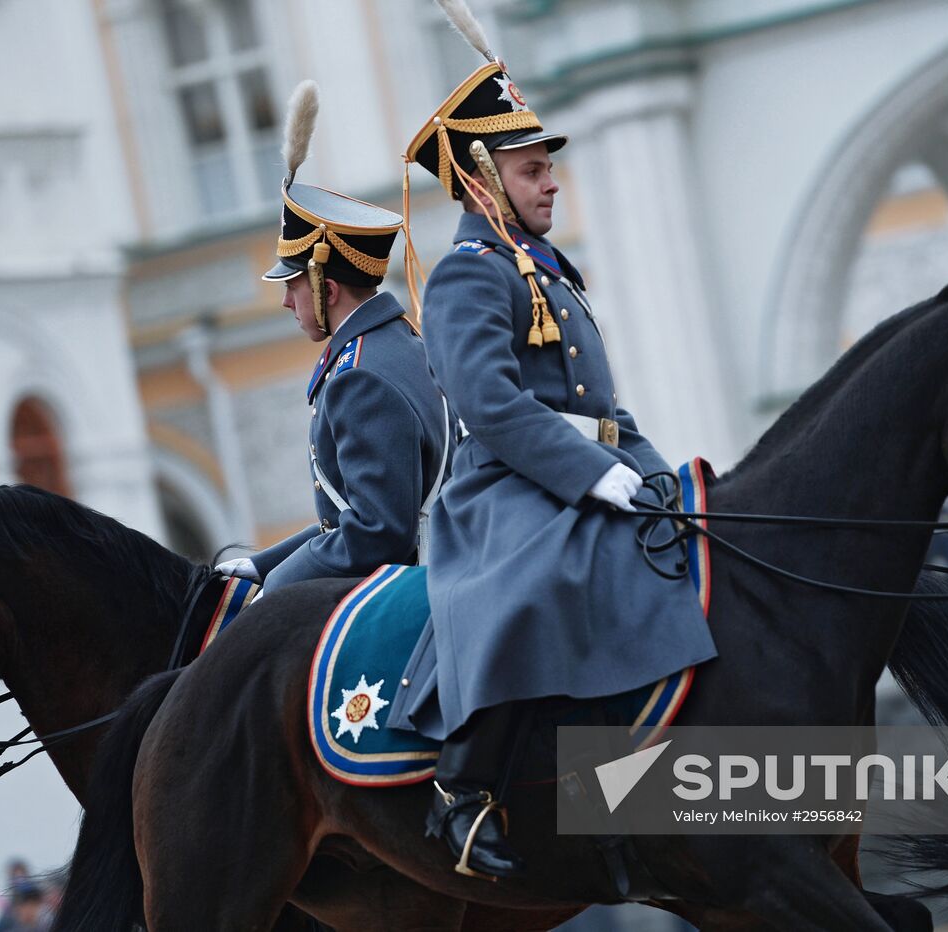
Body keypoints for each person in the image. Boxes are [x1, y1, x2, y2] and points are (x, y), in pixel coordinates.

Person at [387, 5, 716, 879]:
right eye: (533, 171)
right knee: (534, 587)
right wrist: (592, 480)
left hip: (579, 473)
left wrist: (653, 477)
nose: (552, 184)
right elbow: (491, 406)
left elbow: (605, 408)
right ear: (484, 182)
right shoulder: (467, 273)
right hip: (503, 496)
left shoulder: (549, 275)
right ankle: (463, 794)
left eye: (548, 170)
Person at [215, 81, 449, 591]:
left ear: (328, 286)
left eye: (293, 284)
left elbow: (377, 534)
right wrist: (265, 563)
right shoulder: (396, 347)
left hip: (409, 591)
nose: (285, 301)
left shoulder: (361, 377)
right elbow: (347, 517)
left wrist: (276, 593)